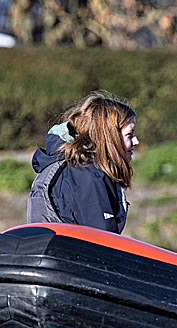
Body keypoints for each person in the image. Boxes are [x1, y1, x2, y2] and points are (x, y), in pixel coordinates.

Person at [28, 92, 139, 233]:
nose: (136, 141)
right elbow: (104, 244)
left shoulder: (68, 167)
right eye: (130, 134)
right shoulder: (87, 175)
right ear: (110, 136)